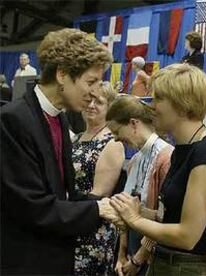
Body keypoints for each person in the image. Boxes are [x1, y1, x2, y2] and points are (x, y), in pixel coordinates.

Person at [1, 28, 119, 275]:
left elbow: (64, 194)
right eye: (91, 82)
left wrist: (107, 203)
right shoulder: (14, 120)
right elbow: (33, 207)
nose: (96, 93)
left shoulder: (60, 119)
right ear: (63, 74)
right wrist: (98, 209)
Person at [105, 64, 206, 275]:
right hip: (166, 264)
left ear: (182, 105)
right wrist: (140, 211)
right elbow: (170, 216)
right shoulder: (182, 151)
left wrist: (135, 220)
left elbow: (187, 236)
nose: (152, 107)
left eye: (158, 99)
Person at [105, 95, 173, 276]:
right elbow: (125, 212)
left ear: (134, 124)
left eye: (117, 131)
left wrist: (139, 258)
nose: (116, 139)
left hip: (151, 258)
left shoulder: (166, 159)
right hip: (132, 253)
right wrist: (122, 253)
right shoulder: (135, 160)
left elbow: (163, 218)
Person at [72, 82, 125, 275]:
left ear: (110, 108)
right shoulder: (75, 139)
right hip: (71, 221)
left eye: (99, 102)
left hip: (93, 230)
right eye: (88, 99)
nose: (91, 105)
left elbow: (100, 194)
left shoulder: (112, 142)